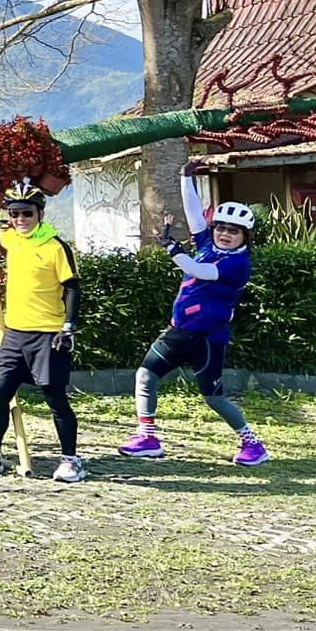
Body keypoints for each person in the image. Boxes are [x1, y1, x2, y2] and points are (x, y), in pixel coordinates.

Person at [118, 172, 267, 465]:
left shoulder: (238, 264)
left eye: (233, 231)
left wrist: (172, 248)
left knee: (214, 398)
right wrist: (185, 178)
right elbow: (195, 217)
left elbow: (202, 272)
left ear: (245, 237)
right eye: (220, 228)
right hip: (178, 332)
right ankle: (147, 437)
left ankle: (253, 445)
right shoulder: (209, 246)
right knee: (145, 375)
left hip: (208, 339)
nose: (224, 234)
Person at [0, 169, 84, 483]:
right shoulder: (12, 238)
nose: (20, 219)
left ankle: (71, 461)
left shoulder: (55, 246)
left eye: (27, 213)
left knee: (55, 399)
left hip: (49, 334)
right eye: (15, 213)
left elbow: (72, 287)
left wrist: (68, 327)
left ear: (40, 214)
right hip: (15, 334)